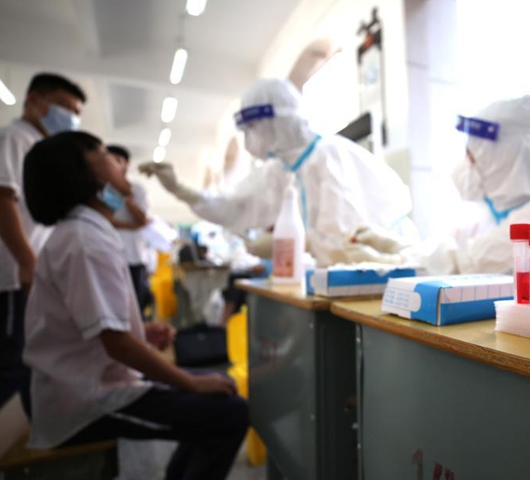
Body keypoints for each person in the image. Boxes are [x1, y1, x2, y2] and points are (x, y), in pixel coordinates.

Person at [22, 132, 248, 480]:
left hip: (91, 380)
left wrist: (140, 331)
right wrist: (187, 381)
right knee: (228, 414)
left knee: (219, 393)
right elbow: (115, 342)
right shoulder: (85, 239)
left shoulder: (87, 230)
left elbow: (98, 329)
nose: (120, 164)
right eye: (106, 155)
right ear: (88, 174)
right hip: (83, 400)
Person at [140, 78, 417, 267]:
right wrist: (180, 189)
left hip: (381, 272)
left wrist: (294, 242)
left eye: (254, 126)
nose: (250, 137)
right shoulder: (279, 170)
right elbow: (234, 207)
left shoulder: (329, 156)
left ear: (280, 121)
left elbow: (345, 242)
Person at [0, 73, 85, 410]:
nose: (71, 118)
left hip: (30, 273)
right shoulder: (15, 138)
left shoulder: (40, 147)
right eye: (65, 107)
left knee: (26, 358)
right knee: (11, 362)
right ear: (34, 100)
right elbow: (3, 198)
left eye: (75, 111)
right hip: (12, 276)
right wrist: (26, 260)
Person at [420, 95, 530, 274]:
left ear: (501, 160)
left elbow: (465, 265)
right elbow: (444, 247)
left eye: (472, 158)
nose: (464, 167)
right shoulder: (487, 213)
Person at [107, 145, 153, 319]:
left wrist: (125, 196)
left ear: (127, 164)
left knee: (135, 308)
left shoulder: (136, 190)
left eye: (118, 161)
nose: (114, 166)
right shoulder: (103, 191)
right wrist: (131, 225)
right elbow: (107, 221)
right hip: (111, 255)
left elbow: (141, 220)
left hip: (133, 257)